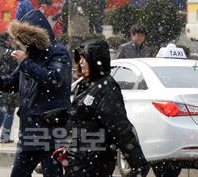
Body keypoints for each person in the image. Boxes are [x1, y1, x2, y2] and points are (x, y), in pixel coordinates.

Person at [0, 9, 72, 176]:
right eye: (23, 38)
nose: (26, 41)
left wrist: (26, 62)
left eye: (28, 36)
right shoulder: (30, 55)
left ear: (39, 34)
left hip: (51, 132)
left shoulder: (58, 52)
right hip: (29, 132)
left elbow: (55, 79)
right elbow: (12, 82)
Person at [63, 39, 149, 176]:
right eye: (79, 59)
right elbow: (81, 117)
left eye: (84, 59)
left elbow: (120, 128)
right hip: (79, 161)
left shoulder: (107, 88)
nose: (80, 63)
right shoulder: (87, 85)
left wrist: (138, 163)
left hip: (94, 164)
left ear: (95, 60)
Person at [0, 32, 19, 143]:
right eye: (10, 39)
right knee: (9, 110)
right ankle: (4, 137)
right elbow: (15, 70)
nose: (12, 41)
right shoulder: (10, 53)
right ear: (6, 40)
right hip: (8, 84)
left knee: (2, 107)